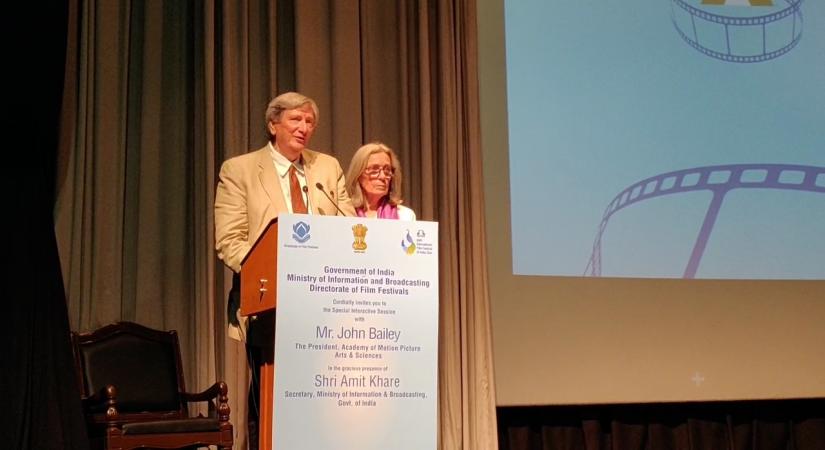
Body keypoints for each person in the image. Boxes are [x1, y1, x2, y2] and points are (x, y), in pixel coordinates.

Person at [214, 91, 355, 449]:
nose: (304, 128)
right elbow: (230, 241)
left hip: (324, 301)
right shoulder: (240, 170)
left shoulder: (327, 168)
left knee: (321, 402)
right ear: (273, 124)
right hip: (269, 305)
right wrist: (277, 273)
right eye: (296, 120)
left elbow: (347, 225)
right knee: (272, 398)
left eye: (310, 122)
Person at [345, 142, 416, 220]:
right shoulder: (345, 213)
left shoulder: (405, 215)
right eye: (374, 170)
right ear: (358, 174)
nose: (383, 176)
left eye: (387, 170)